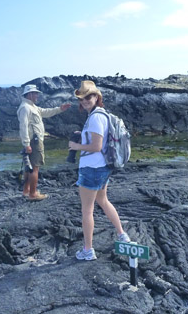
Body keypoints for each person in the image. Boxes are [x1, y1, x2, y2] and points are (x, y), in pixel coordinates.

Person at [69, 80, 130, 261]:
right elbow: (99, 141)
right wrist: (84, 135)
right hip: (103, 167)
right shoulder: (101, 115)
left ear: (97, 97)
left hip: (92, 169)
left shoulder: (95, 117)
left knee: (87, 210)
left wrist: (76, 145)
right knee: (103, 201)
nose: (85, 101)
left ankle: (88, 250)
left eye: (89, 96)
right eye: (82, 98)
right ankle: (121, 234)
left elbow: (96, 146)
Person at [17, 84, 71, 200]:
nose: (37, 95)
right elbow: (23, 126)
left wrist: (60, 109)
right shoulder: (25, 108)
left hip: (34, 141)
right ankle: (33, 194)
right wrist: (26, 144)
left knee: (29, 167)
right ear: (30, 94)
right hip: (34, 142)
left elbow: (46, 112)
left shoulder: (32, 107)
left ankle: (26, 191)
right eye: (35, 93)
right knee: (35, 168)